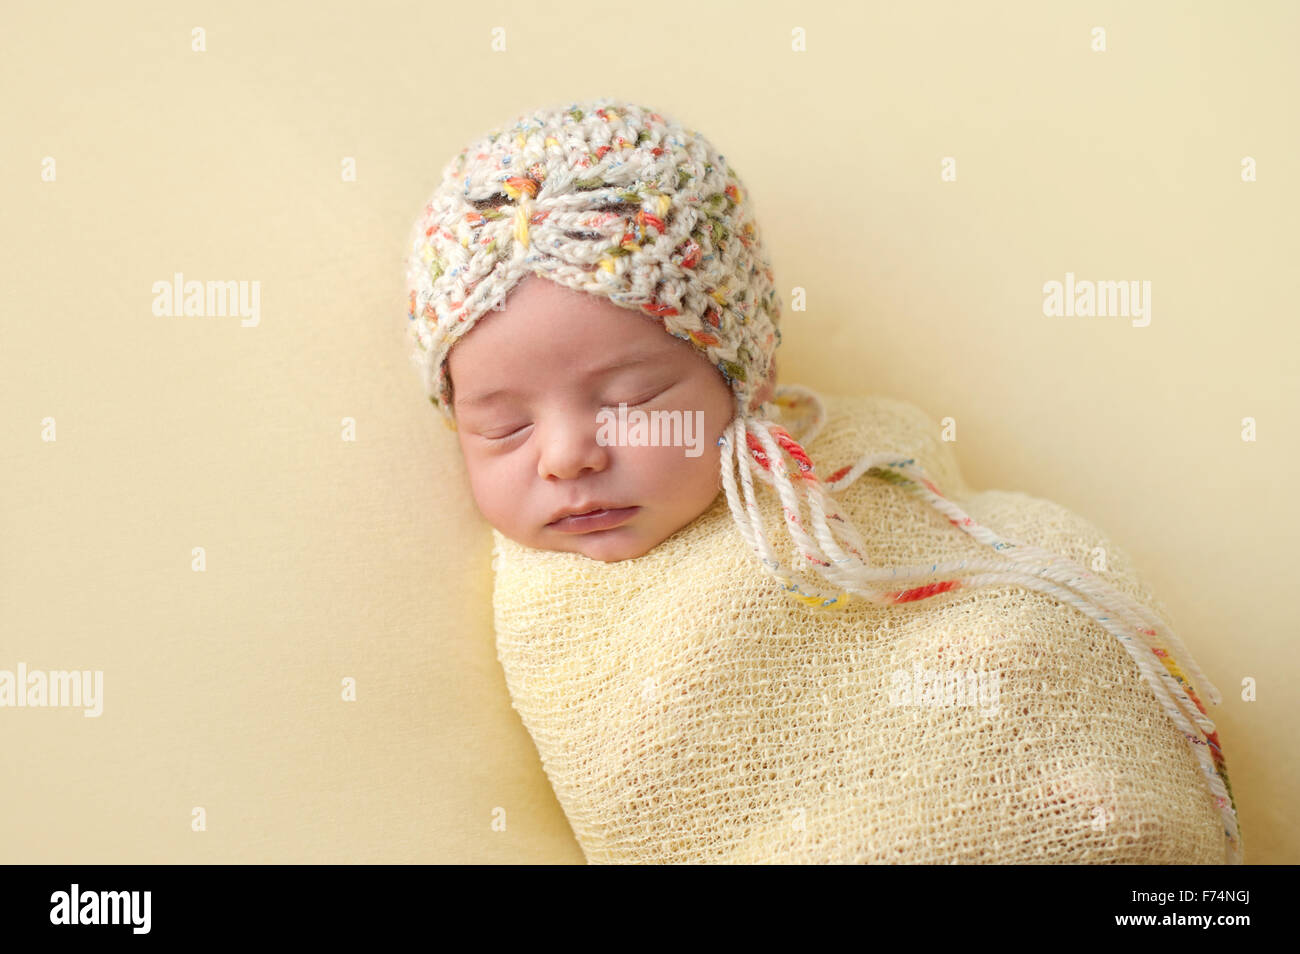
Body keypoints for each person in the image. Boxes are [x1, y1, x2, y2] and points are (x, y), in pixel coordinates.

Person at [404, 97, 1241, 863]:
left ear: (742, 379)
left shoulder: (843, 457)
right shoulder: (556, 617)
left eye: (631, 400)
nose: (565, 458)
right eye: (502, 426)